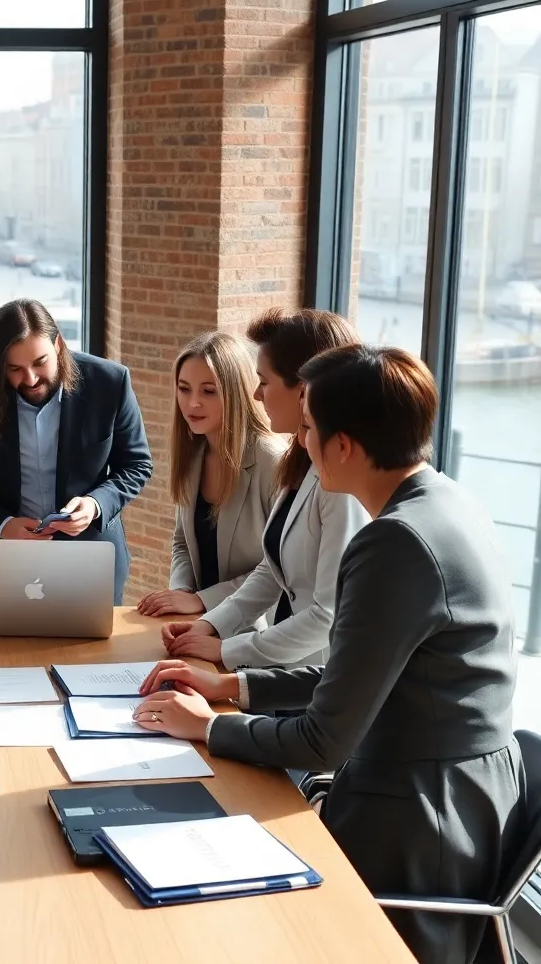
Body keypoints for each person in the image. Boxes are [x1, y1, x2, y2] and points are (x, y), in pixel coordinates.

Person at [134, 344, 524, 964]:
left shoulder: (392, 542)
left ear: (343, 445)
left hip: (414, 824)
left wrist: (213, 729)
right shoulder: (447, 500)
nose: (301, 445)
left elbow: (324, 741)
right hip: (466, 799)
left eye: (310, 429)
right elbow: (361, 673)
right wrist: (232, 688)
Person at [161, 308, 369, 673]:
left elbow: (326, 614)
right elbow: (272, 572)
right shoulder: (300, 461)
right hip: (282, 669)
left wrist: (225, 649)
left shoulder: (339, 483)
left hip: (317, 676)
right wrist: (210, 625)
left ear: (305, 389)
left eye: (264, 381)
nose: (255, 394)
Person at [0, 299, 153, 603]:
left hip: (90, 557)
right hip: (1, 555)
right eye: (15, 369)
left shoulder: (110, 382)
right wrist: (1, 524)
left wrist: (94, 505)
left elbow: (136, 464)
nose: (31, 379)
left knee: (93, 649)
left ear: (59, 345)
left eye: (40, 362)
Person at [136, 331, 285, 619]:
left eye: (208, 391)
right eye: (184, 389)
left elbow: (281, 568)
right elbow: (182, 543)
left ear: (235, 391)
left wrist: (203, 601)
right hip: (200, 625)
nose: (192, 403)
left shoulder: (272, 459)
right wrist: (180, 592)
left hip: (255, 630)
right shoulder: (193, 453)